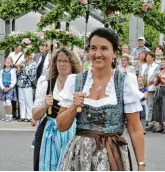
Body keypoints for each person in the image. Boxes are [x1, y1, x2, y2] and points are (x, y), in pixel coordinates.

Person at [57, 28, 145, 171]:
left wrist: (141, 165)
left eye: (104, 48)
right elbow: (61, 126)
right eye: (93, 48)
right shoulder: (76, 81)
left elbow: (135, 128)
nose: (97, 54)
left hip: (112, 156)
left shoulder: (125, 82)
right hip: (80, 156)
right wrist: (74, 106)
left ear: (114, 53)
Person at [33, 47, 81, 171]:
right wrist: (45, 106)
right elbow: (35, 116)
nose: (62, 64)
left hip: (72, 131)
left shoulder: (79, 84)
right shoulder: (46, 84)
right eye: (59, 61)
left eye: (65, 61)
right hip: (50, 132)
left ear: (72, 63)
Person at [140, 51, 159, 130]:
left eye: (149, 57)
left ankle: (151, 122)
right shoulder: (143, 65)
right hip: (142, 87)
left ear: (152, 58)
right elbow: (140, 75)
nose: (147, 58)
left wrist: (147, 83)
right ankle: (147, 121)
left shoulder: (156, 66)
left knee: (150, 105)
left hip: (151, 88)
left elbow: (153, 77)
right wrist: (141, 83)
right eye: (146, 56)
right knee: (145, 105)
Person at [17, 52, 37, 122]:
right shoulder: (22, 62)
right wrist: (19, 68)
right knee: (21, 100)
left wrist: (24, 68)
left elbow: (32, 74)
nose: (27, 56)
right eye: (26, 55)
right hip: (20, 83)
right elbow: (18, 72)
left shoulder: (34, 63)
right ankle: (22, 116)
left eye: (29, 55)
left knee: (28, 100)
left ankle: (29, 116)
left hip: (28, 84)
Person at [9, 45, 25, 119]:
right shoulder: (11, 54)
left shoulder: (23, 54)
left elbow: (22, 64)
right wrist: (15, 65)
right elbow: (8, 62)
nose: (16, 48)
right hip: (12, 74)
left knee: (19, 95)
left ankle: (20, 113)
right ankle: (13, 113)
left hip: (19, 75)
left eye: (18, 46)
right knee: (12, 94)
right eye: (15, 46)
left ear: (21, 47)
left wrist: (14, 64)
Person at [0, 57, 17, 122]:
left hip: (10, 88)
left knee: (8, 101)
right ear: (4, 62)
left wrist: (9, 87)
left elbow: (14, 80)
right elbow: (0, 80)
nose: (7, 62)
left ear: (11, 63)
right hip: (3, 88)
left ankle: (10, 115)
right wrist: (3, 87)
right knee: (4, 102)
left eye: (9, 61)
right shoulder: (2, 71)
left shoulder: (12, 70)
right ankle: (6, 115)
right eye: (6, 61)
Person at [153, 56, 165, 134]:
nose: (162, 63)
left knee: (164, 107)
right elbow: (155, 83)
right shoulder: (160, 71)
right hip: (160, 89)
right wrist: (157, 78)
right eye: (162, 62)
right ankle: (160, 125)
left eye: (164, 62)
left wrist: (160, 79)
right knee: (159, 107)